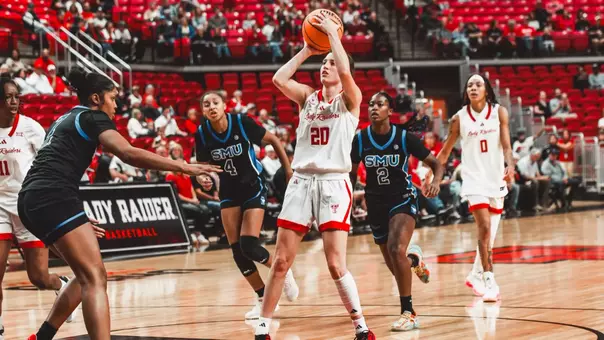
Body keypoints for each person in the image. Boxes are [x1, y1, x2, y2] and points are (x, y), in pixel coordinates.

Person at [20, 68, 220, 340]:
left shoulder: (65, 117)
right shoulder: (93, 117)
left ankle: (41, 337)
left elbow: (53, 166)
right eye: (112, 98)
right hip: (53, 197)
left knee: (83, 275)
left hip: (31, 198)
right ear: (95, 98)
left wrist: (74, 216)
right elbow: (128, 153)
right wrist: (185, 167)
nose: (116, 105)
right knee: (95, 278)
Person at [255, 12, 375, 340]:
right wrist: (308, 50)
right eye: (324, 64)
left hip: (334, 183)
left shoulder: (351, 100)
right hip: (301, 182)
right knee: (281, 260)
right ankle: (263, 327)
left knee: (336, 264)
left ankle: (360, 326)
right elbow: (279, 79)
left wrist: (333, 34)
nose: (326, 66)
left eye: (331, 63)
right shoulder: (307, 97)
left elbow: (346, 68)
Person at [195, 91, 299, 320]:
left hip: (253, 186)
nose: (211, 107)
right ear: (203, 110)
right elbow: (202, 166)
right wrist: (202, 178)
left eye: (215, 103)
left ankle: (284, 270)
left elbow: (272, 140)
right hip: (229, 191)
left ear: (224, 106)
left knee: (249, 245)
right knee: (237, 252)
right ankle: (263, 298)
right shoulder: (202, 133)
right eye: (206, 104)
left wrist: (288, 169)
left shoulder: (241, 122)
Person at [350, 91, 444, 331]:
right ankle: (414, 259)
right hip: (375, 202)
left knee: (395, 248)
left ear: (390, 111)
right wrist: (347, 196)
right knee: (395, 262)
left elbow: (436, 163)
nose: (374, 108)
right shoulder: (360, 140)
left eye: (380, 104)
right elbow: (350, 174)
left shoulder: (403, 137)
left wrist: (434, 182)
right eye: (370, 104)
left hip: (403, 198)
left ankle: (409, 312)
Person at [0, 76, 81, 339]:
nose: (14, 102)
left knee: (38, 276)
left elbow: (50, 161)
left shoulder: (30, 127)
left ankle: (61, 284)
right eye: (8, 97)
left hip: (26, 205)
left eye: (16, 97)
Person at [433, 74, 514, 302]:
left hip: (495, 179)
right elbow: (446, 151)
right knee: (485, 228)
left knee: (491, 235)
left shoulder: (499, 112)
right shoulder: (459, 118)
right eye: (470, 85)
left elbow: (506, 146)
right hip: (473, 180)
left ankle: (475, 273)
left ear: (486, 90)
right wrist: (434, 175)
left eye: (478, 84)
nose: (473, 88)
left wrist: (510, 163)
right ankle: (490, 279)